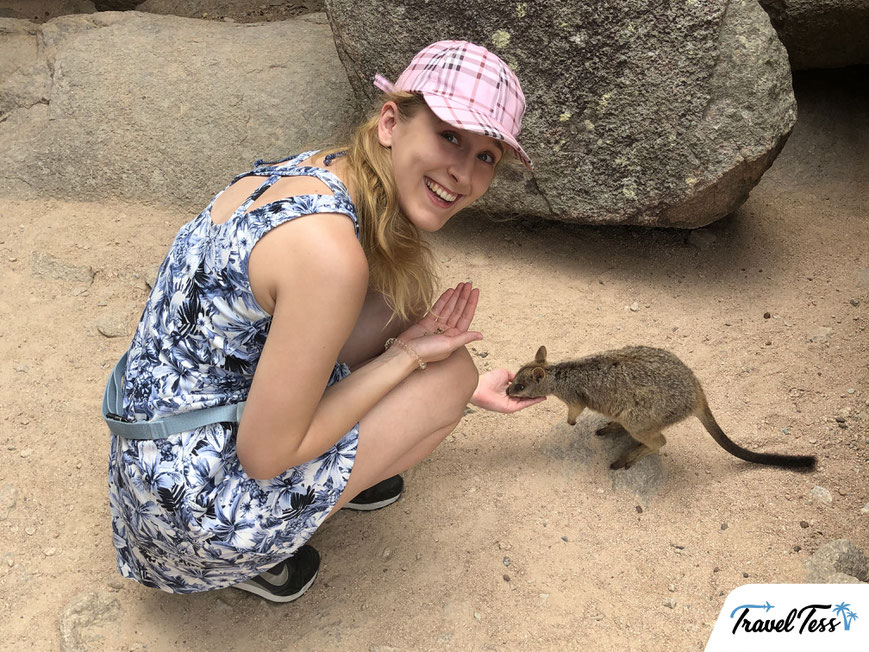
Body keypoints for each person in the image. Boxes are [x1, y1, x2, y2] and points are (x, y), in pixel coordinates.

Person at [107, 40, 544, 603]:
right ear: (391, 122)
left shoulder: (321, 173)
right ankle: (259, 556)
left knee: (399, 304)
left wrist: (408, 355)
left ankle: (338, 466)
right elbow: (263, 456)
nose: (462, 172)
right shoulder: (329, 258)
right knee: (449, 374)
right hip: (193, 517)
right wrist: (406, 361)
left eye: (486, 156)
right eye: (449, 136)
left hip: (150, 457)